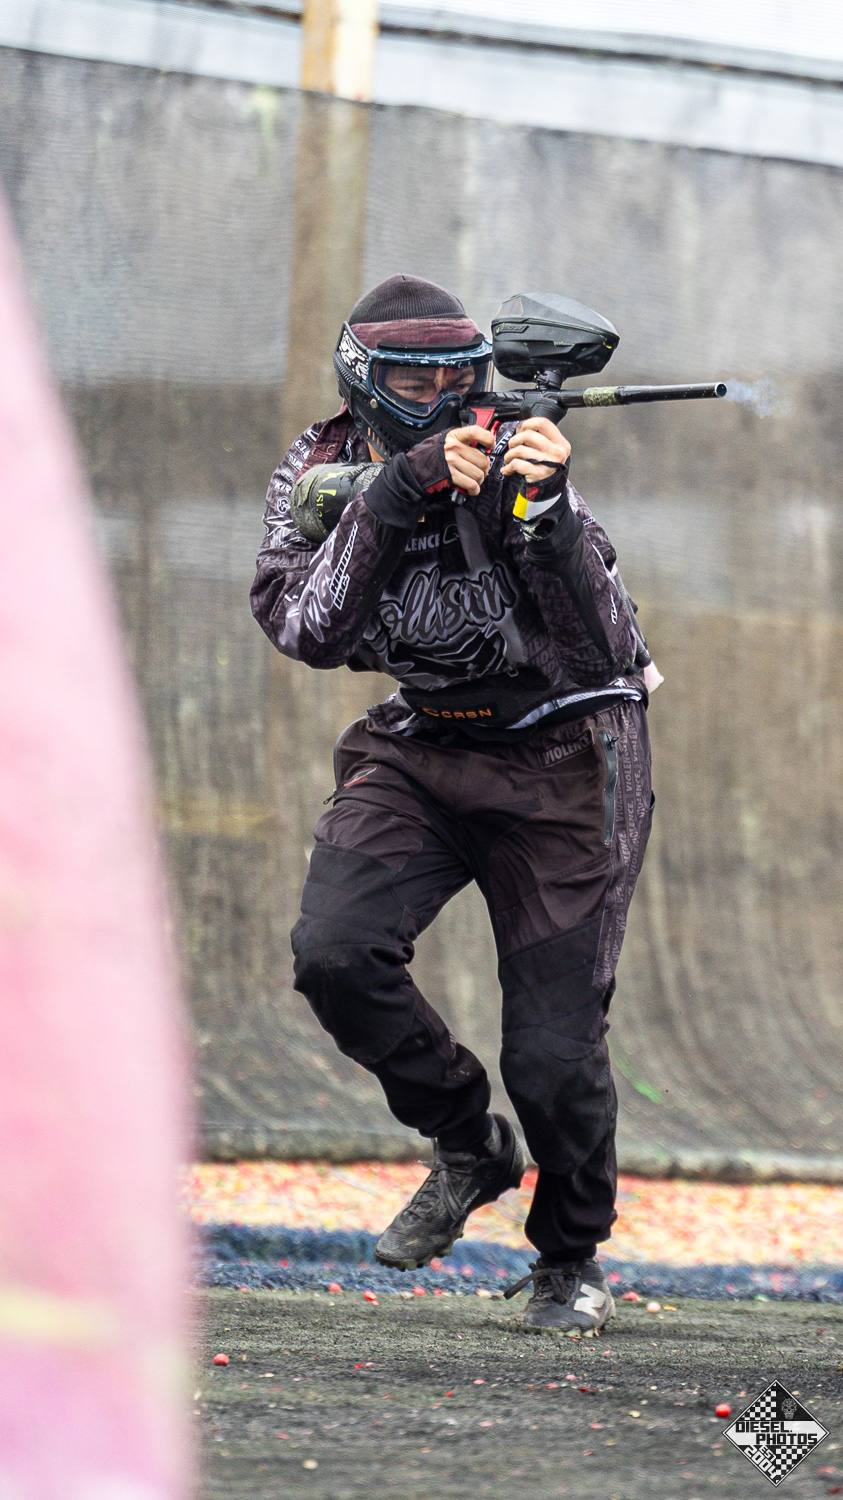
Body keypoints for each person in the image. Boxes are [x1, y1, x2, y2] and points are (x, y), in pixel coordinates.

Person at [251, 274, 656, 1335]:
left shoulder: (513, 454)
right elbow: (308, 630)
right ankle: (470, 1144)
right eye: (411, 382)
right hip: (427, 742)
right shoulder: (318, 464)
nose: (438, 400)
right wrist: (395, 494)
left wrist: (547, 511)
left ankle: (569, 1256)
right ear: (362, 382)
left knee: (552, 1054)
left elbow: (607, 649)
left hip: (567, 758)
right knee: (335, 951)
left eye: (455, 378)